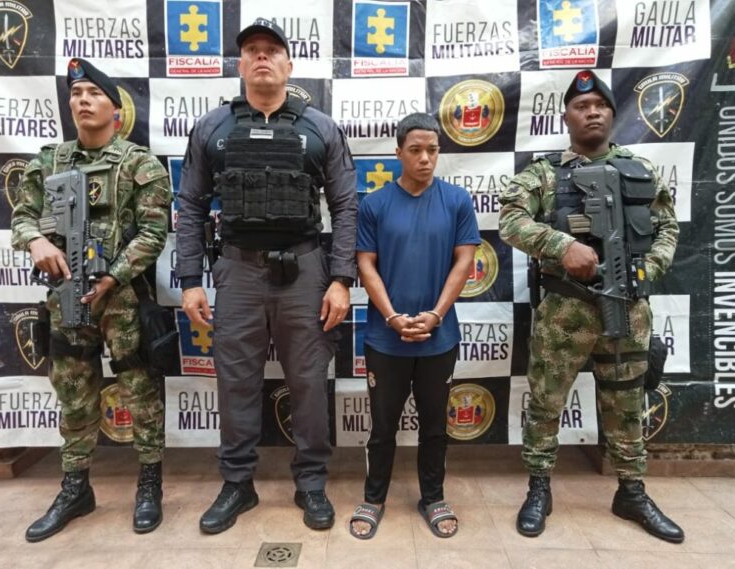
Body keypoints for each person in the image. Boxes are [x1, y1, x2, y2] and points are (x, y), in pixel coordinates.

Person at [176, 18, 357, 533]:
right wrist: (191, 280)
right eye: (251, 50)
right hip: (237, 271)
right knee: (235, 382)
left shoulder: (319, 127)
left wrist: (341, 278)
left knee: (307, 382)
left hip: (304, 271)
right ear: (240, 64)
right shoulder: (213, 127)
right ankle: (237, 484)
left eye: (271, 50)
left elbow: (346, 207)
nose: (261, 58)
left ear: (287, 65)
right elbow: (188, 205)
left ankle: (312, 483)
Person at [498, 70, 684, 543]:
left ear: (612, 113)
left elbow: (667, 228)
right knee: (545, 402)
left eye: (600, 104)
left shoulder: (638, 170)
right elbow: (510, 221)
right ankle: (539, 488)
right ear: (567, 116)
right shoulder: (545, 173)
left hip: (629, 306)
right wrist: (562, 246)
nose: (593, 111)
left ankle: (632, 492)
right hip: (567, 310)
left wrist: (652, 269)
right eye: (582, 106)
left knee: (626, 405)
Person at [11, 58, 172, 541]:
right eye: (76, 93)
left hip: (121, 298)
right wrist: (35, 241)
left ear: (115, 109)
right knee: (74, 393)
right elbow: (22, 216)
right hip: (66, 298)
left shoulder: (139, 163)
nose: (82, 100)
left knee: (140, 391)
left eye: (92, 93)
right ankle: (76, 486)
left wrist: (114, 276)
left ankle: (149, 483)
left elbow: (153, 231)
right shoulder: (49, 162)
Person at [349, 113, 480, 540]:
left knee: (435, 426)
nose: (425, 159)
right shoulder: (374, 204)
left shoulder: (457, 201)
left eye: (433, 150)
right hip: (384, 339)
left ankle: (433, 496)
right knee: (382, 426)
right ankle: (374, 498)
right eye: (416, 150)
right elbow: (365, 265)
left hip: (438, 337)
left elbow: (464, 260)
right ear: (399, 152)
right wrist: (391, 317)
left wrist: (437, 314)